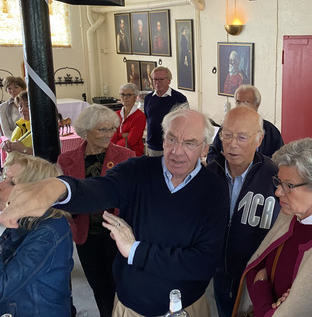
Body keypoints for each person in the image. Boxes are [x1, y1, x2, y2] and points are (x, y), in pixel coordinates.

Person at [0, 108, 229, 317]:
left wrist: (135, 250)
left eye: (189, 143)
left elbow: (202, 264)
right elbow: (96, 190)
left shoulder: (214, 189)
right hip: (130, 307)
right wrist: (59, 188)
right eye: (171, 139)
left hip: (186, 307)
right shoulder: (136, 170)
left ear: (205, 148)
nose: (177, 151)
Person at [232, 138, 312, 317]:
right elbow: (255, 269)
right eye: (279, 182)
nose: (278, 192)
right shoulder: (290, 215)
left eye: (289, 185)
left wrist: (262, 294)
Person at [58, 104, 135, 317]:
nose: (109, 134)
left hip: (117, 235)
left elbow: (134, 196)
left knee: (121, 285)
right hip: (86, 236)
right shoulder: (67, 160)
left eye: (112, 128)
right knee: (99, 287)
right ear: (86, 130)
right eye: (102, 129)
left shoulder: (126, 156)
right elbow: (63, 198)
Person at [206, 106, 280, 317]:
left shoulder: (275, 178)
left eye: (242, 137)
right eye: (227, 135)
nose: (232, 144)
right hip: (218, 273)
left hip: (259, 277)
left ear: (259, 139)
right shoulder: (209, 175)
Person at [0, 152, 73, 315]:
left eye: (12, 183)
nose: (1, 185)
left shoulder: (48, 232)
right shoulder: (23, 217)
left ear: (34, 193)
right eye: (4, 177)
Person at [207, 85, 284, 163]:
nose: (241, 106)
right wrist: (223, 166)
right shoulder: (227, 127)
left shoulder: (271, 131)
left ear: (257, 105)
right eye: (238, 102)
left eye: (246, 103)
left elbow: (280, 160)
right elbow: (212, 154)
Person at [143, 66, 188, 156]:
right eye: (155, 79)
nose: (157, 83)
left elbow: (185, 123)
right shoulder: (148, 98)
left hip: (173, 147)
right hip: (152, 146)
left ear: (169, 80)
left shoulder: (180, 99)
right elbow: (148, 119)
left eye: (161, 79)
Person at [111, 83, 146, 156]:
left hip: (133, 154)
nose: (125, 98)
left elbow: (131, 141)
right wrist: (123, 135)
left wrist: (116, 142)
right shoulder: (115, 115)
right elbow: (109, 136)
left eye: (129, 95)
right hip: (115, 153)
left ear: (135, 97)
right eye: (122, 94)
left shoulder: (139, 116)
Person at [1, 91, 33, 156]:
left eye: (27, 106)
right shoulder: (19, 127)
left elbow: (46, 156)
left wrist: (24, 149)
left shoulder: (42, 128)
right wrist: (7, 145)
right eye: (20, 106)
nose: (22, 110)